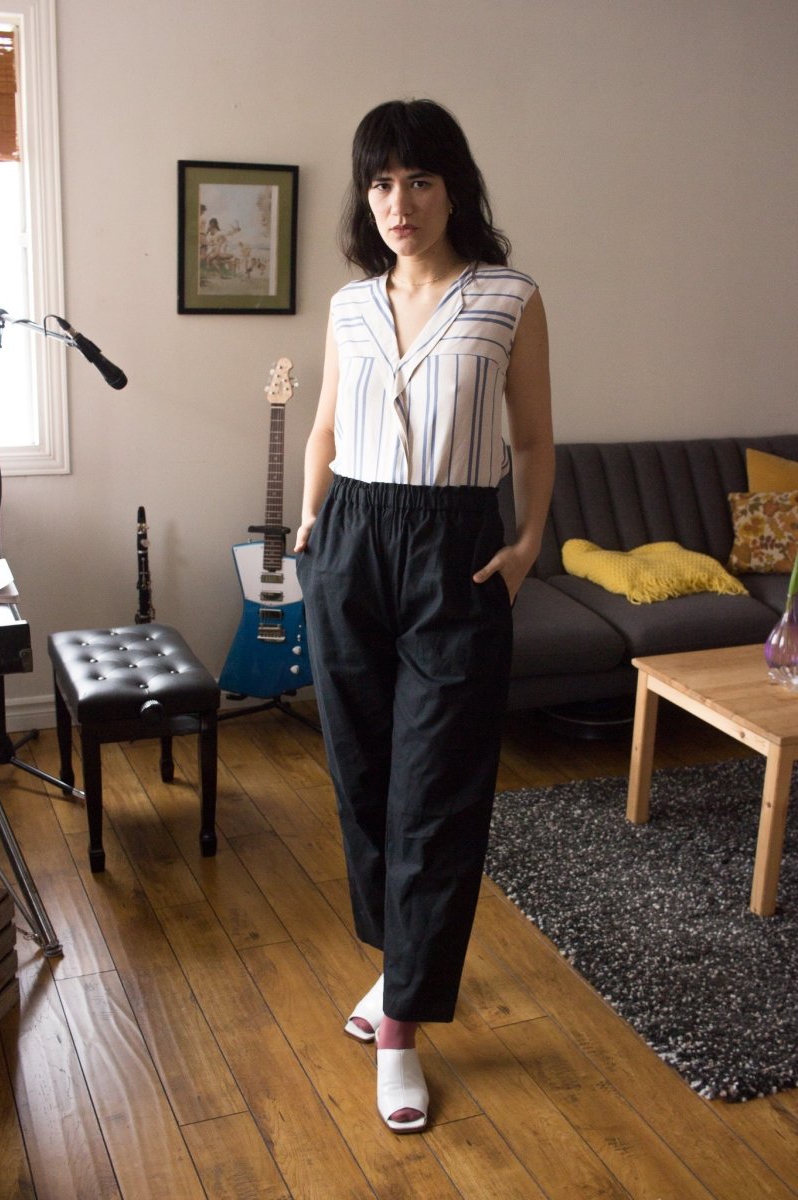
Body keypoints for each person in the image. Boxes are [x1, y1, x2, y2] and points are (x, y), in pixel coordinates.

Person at [295, 98, 553, 1134]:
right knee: (361, 775)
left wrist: (526, 544)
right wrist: (308, 521)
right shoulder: (349, 306)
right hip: (350, 540)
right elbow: (322, 425)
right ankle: (397, 962)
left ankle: (400, 1028)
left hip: (455, 545)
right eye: (380, 183)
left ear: (454, 188)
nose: (398, 202)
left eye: (419, 180)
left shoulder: (508, 297)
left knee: (437, 789)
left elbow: (531, 439)